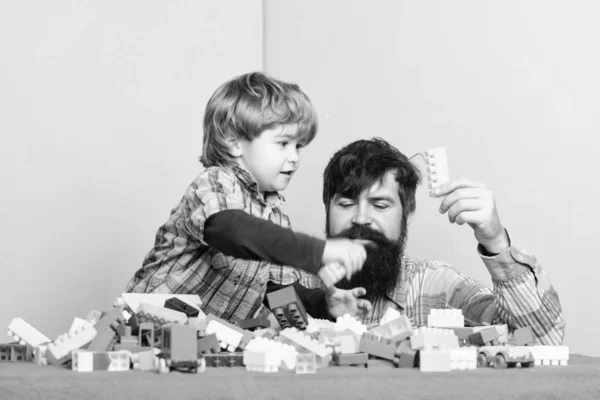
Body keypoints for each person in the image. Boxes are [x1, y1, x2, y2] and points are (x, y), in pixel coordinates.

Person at [123, 72, 370, 321]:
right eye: (283, 143)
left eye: (299, 146)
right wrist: (316, 252)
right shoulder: (215, 182)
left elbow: (275, 292)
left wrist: (322, 306)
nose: (294, 157)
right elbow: (230, 230)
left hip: (201, 343)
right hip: (143, 324)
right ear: (234, 143)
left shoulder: (275, 219)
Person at [296, 137, 565, 345]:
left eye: (380, 205)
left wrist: (495, 241)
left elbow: (542, 339)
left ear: (406, 214)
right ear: (327, 210)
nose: (361, 218)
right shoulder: (291, 282)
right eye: (346, 203)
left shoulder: (439, 288)